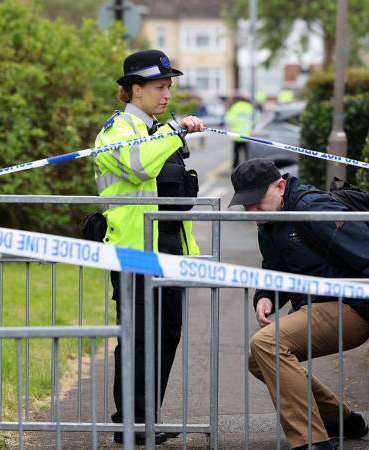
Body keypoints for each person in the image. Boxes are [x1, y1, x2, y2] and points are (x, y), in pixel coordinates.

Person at [229, 158, 369, 450]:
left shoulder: (312, 208)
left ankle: (312, 441)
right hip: (317, 307)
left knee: (267, 344)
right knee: (258, 359)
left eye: (257, 201)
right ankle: (340, 419)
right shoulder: (271, 218)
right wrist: (266, 295)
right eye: (246, 204)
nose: (252, 210)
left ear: (281, 186)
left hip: (353, 307)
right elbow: (276, 266)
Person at [93, 49, 205, 445]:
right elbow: (139, 166)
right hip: (133, 251)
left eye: (169, 86)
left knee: (166, 333)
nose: (167, 94)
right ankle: (132, 423)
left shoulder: (159, 130)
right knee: (139, 336)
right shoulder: (116, 131)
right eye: (159, 86)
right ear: (134, 89)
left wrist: (170, 133)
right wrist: (173, 132)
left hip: (169, 247)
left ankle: (147, 419)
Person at [225, 93, 254, 168]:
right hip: (247, 135)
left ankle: (235, 170)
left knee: (236, 155)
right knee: (247, 156)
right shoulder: (249, 107)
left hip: (236, 136)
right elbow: (256, 119)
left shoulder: (235, 107)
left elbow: (228, 120)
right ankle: (248, 170)